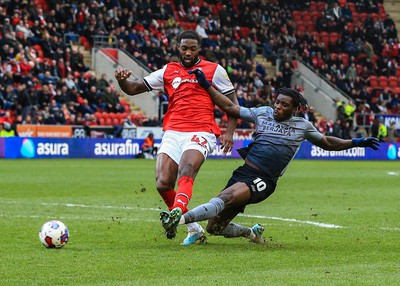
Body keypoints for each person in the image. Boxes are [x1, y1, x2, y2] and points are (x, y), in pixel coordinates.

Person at [160, 69, 380, 244]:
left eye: (284, 105)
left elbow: (327, 142)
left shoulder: (302, 126)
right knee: (215, 228)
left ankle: (179, 219)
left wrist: (356, 142)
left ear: (295, 109)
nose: (278, 107)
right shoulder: (262, 113)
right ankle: (250, 233)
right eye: (277, 102)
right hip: (244, 172)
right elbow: (229, 107)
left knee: (225, 197)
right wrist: (207, 85)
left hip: (264, 179)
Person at [114, 30, 238, 245]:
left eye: (192, 48)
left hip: (201, 131)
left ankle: (177, 213)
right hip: (172, 131)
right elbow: (134, 89)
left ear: (199, 48)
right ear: (178, 48)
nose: (188, 52)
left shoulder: (214, 70)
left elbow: (232, 103)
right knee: (163, 184)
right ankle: (194, 229)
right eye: (184, 48)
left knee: (187, 169)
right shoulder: (168, 71)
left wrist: (229, 131)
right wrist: (122, 82)